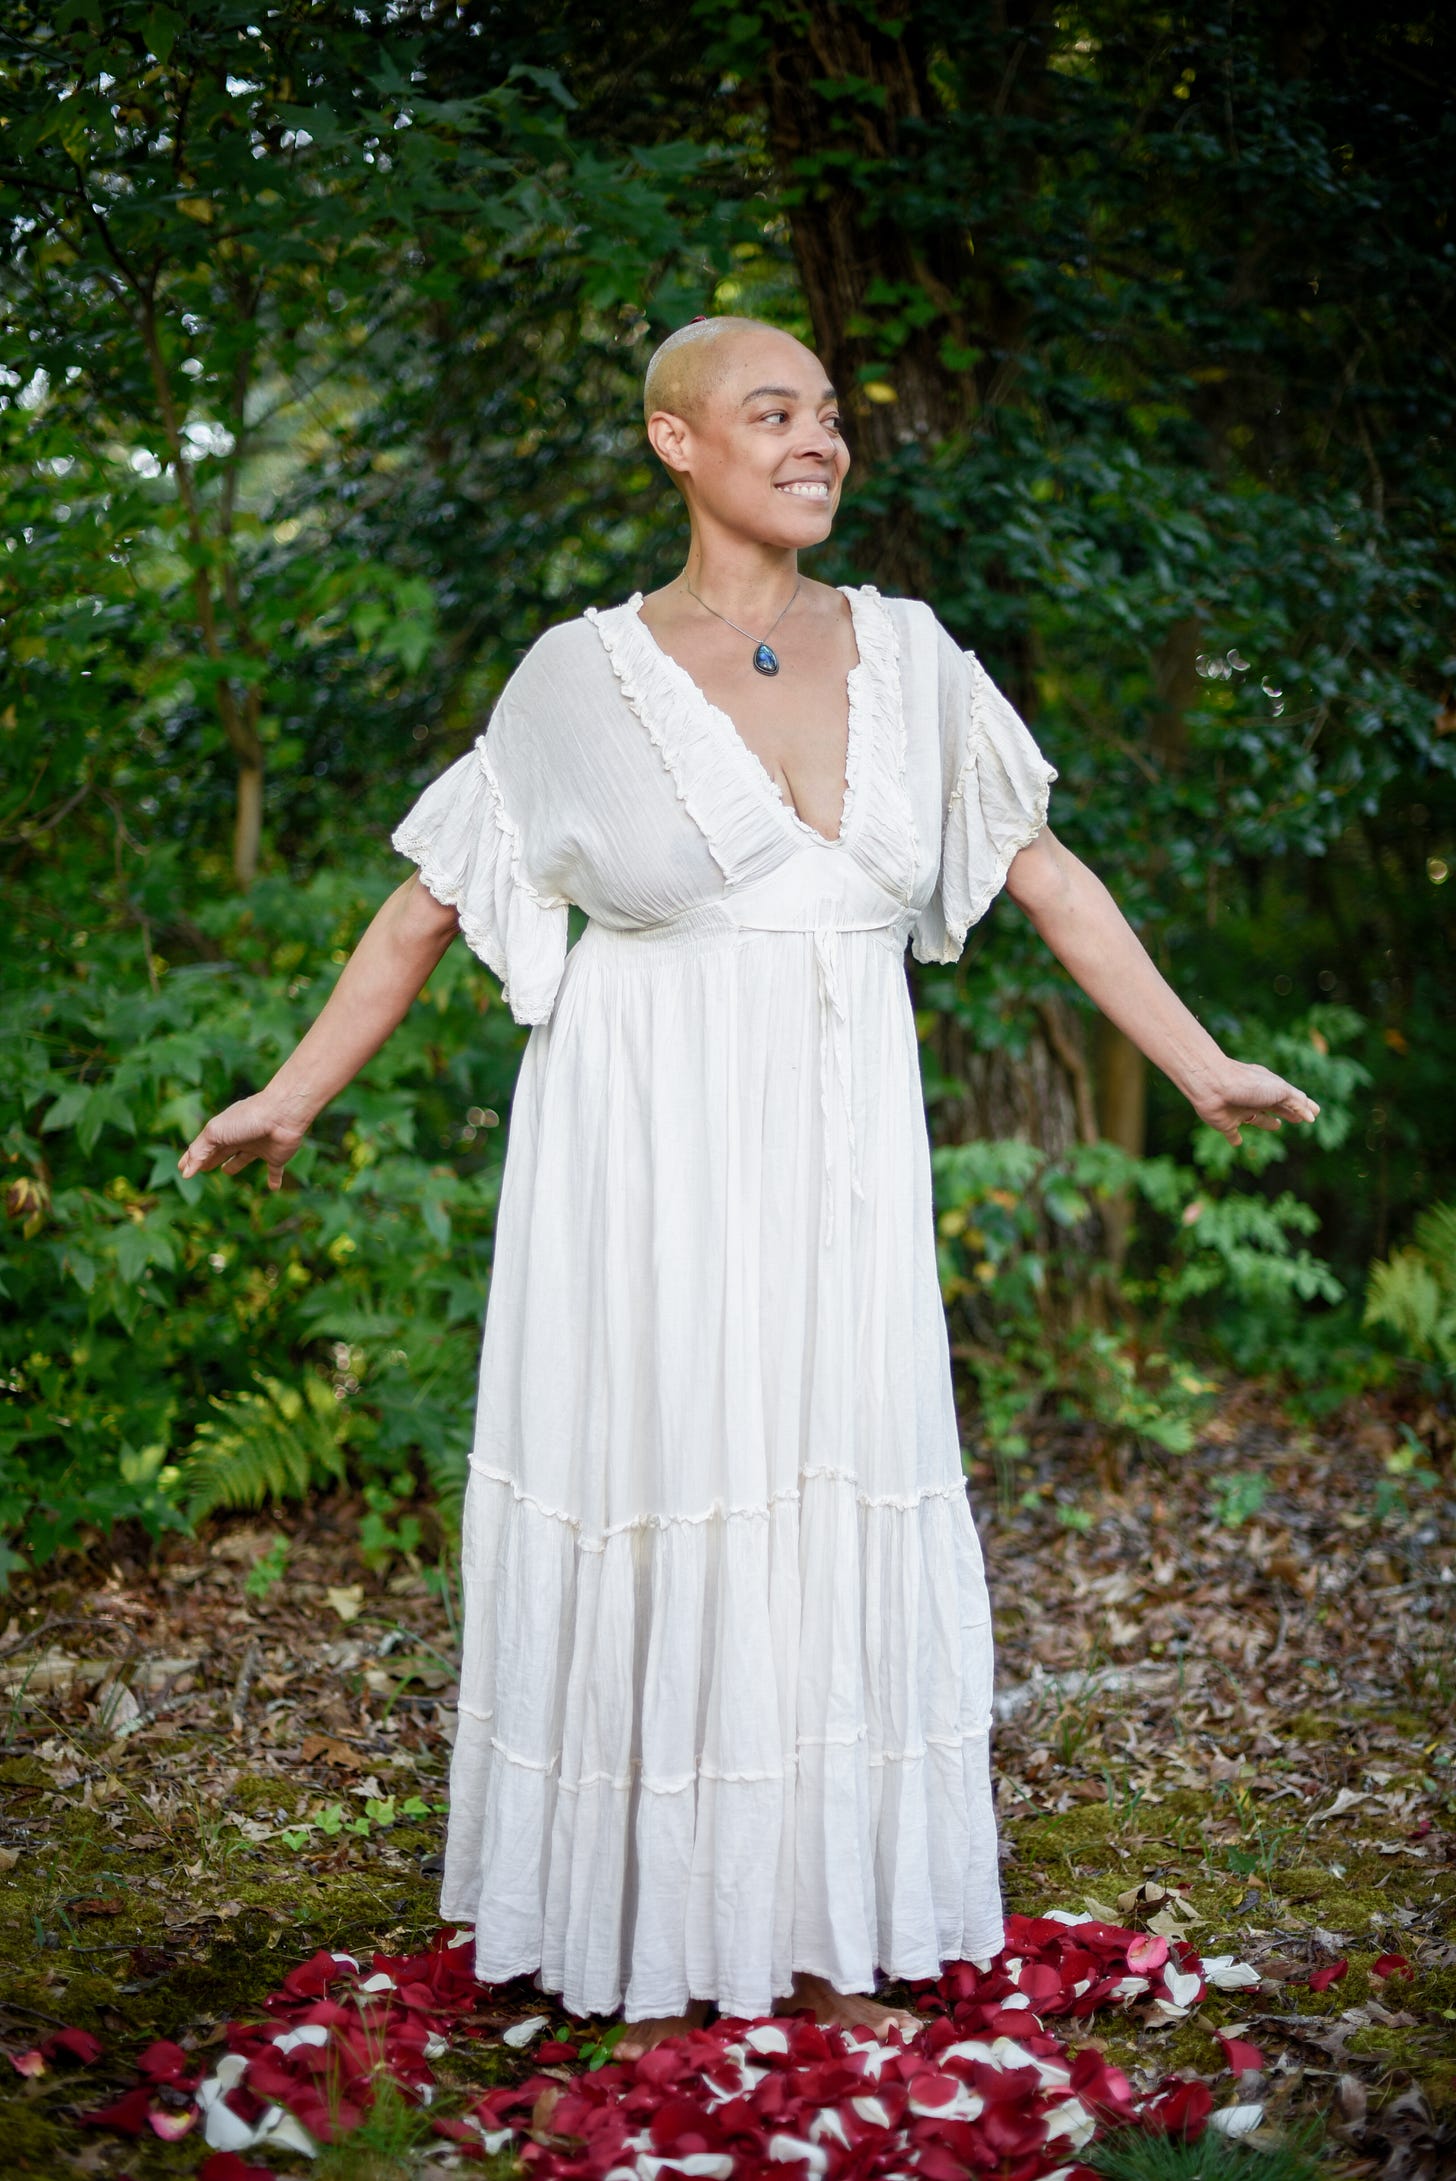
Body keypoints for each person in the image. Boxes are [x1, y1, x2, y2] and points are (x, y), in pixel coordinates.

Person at [178, 314, 1318, 2061]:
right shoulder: (578, 674)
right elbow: (432, 897)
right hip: (642, 1160)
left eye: (833, 416)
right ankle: (634, 1923)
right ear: (674, 444)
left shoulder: (920, 658)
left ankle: (816, 1921)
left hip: (840, 1155)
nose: (819, 440)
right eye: (773, 411)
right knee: (671, 1472)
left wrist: (1197, 1060)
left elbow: (1040, 866)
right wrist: (289, 1092)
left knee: (823, 1474)